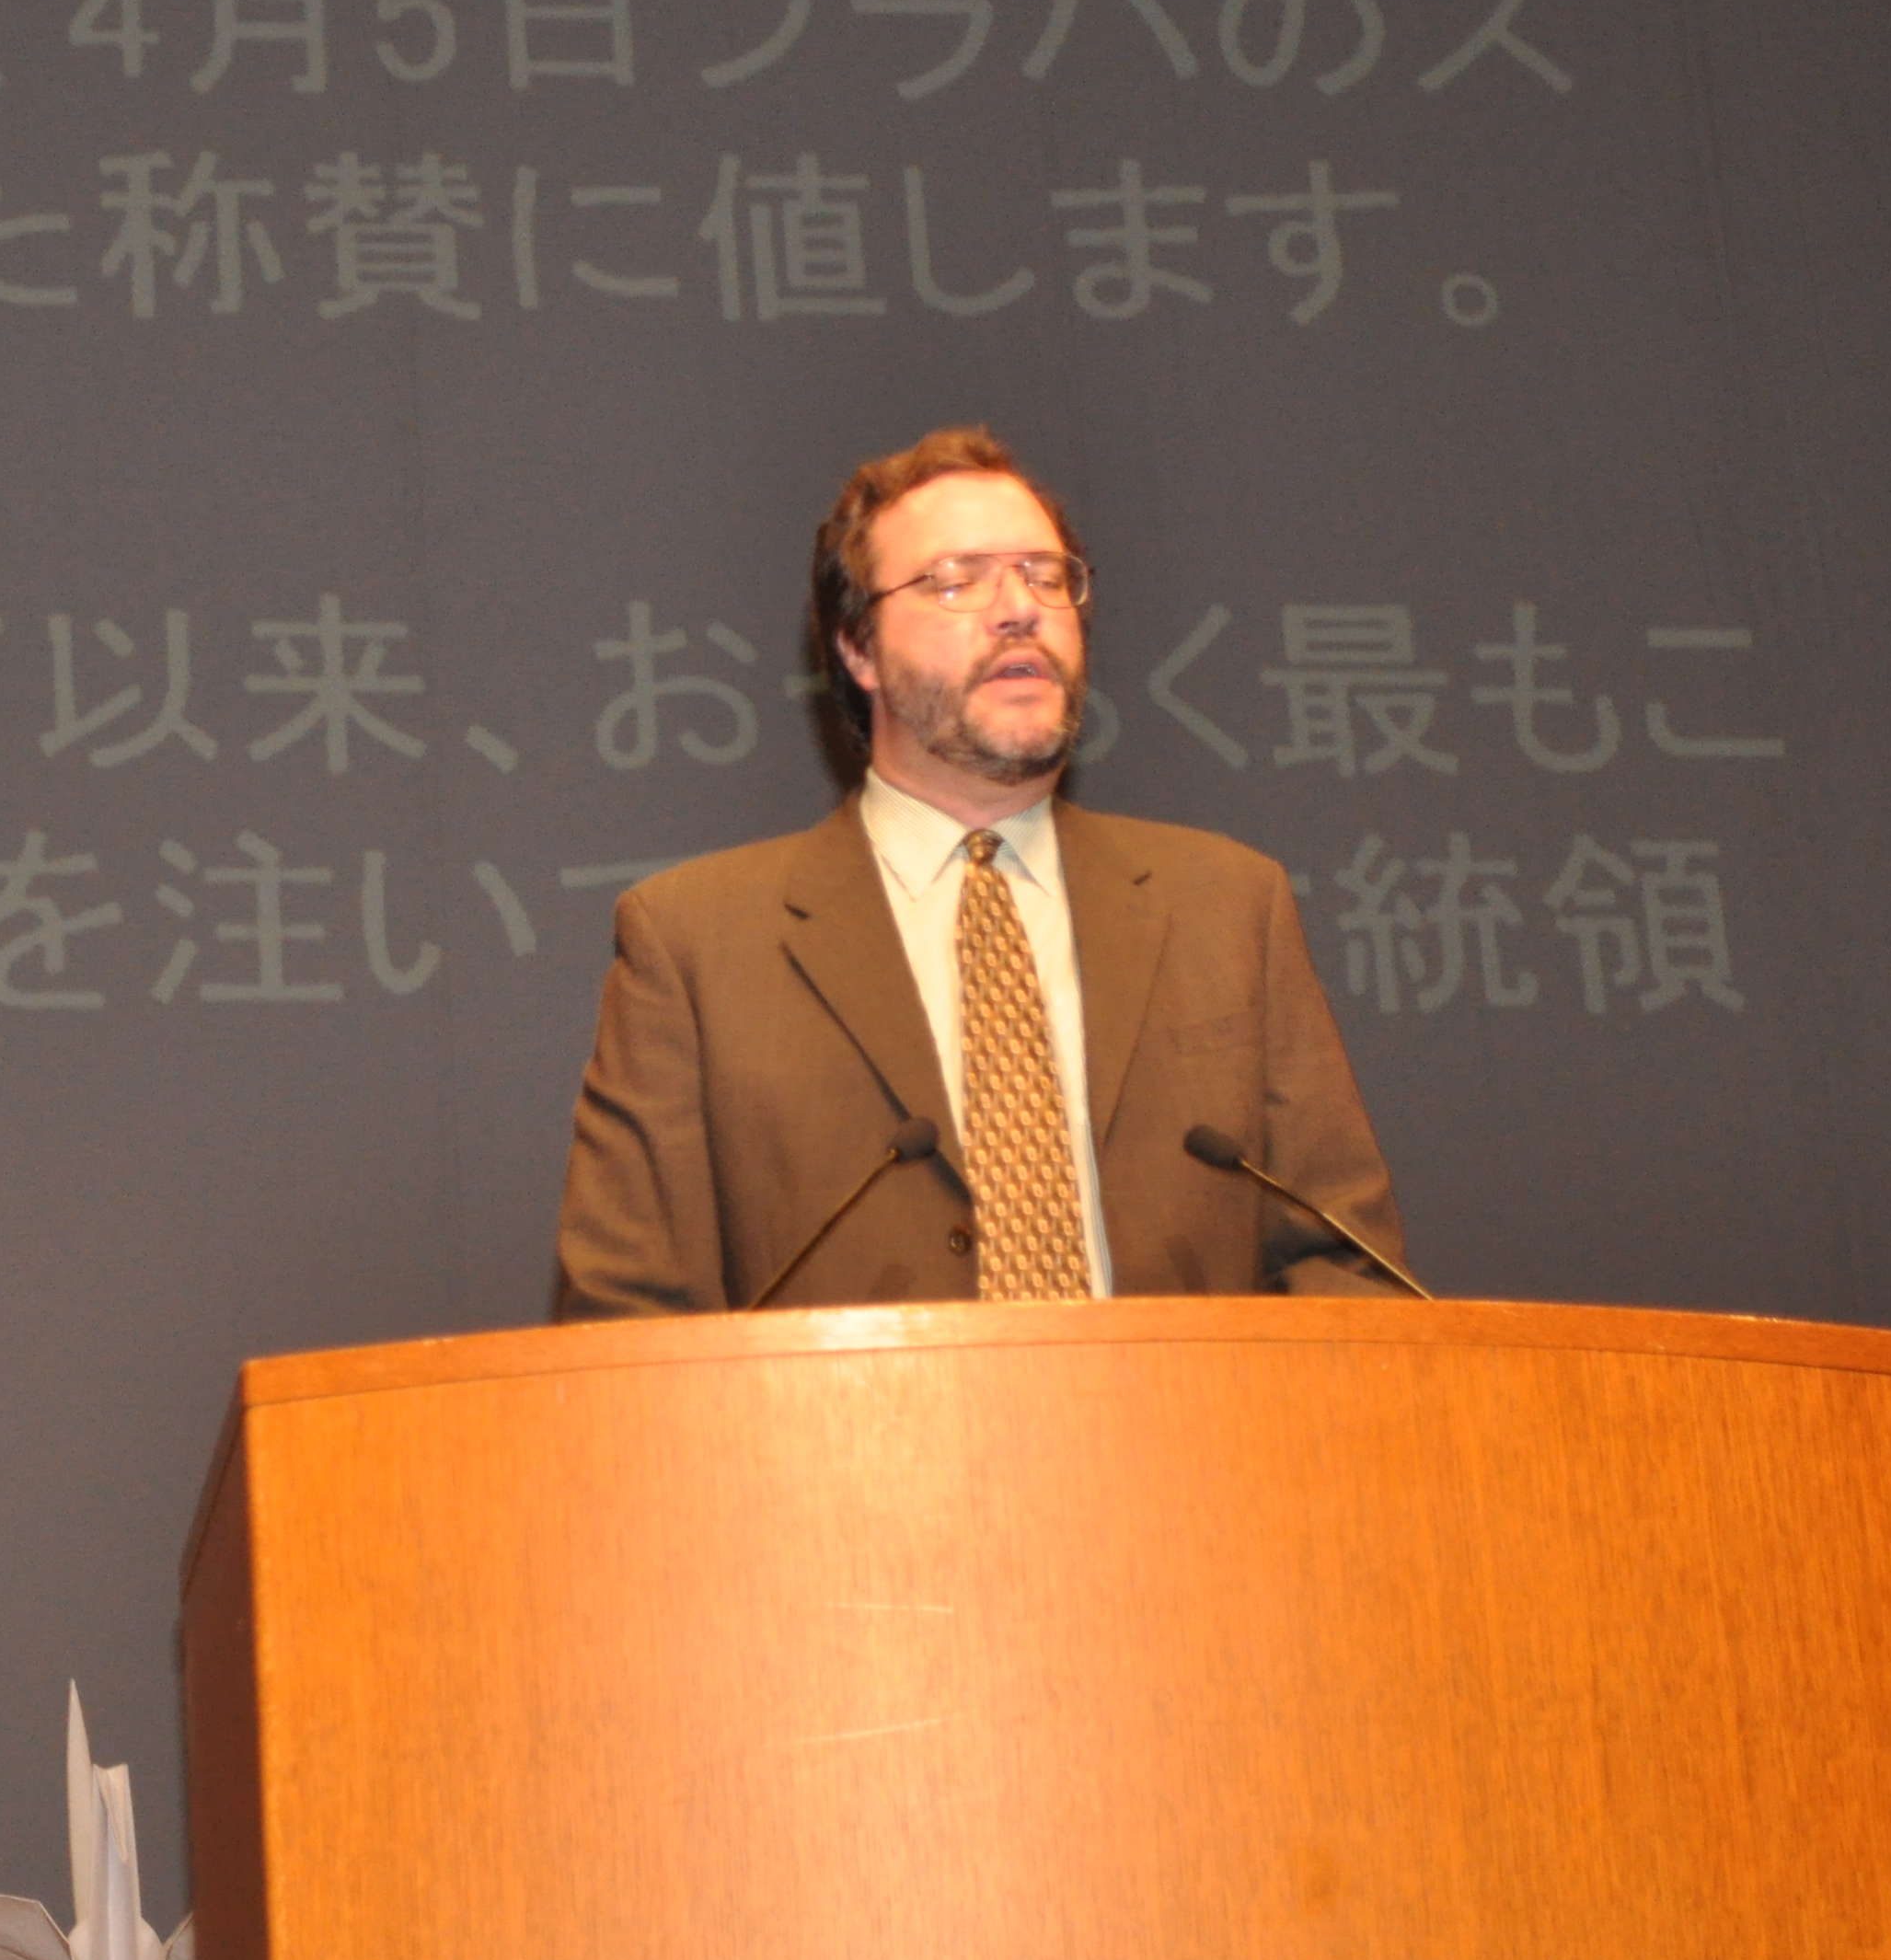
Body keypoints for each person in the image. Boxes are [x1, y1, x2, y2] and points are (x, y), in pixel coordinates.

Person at [554, 427, 1409, 1317]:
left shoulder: (1228, 905)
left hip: (1187, 1448)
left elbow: (1344, 1266)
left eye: (1046, 576)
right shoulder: (695, 942)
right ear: (857, 648)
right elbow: (628, 1317)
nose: (1020, 609)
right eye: (958, 580)